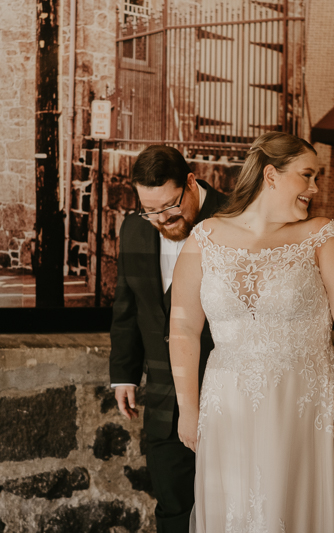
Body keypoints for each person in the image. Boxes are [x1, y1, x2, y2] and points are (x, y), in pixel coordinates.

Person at [169, 132, 334, 532]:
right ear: (271, 175)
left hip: (303, 407)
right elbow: (184, 330)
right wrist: (188, 410)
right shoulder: (204, 239)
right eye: (307, 175)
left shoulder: (324, 237)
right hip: (226, 409)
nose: (315, 187)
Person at [110, 145, 228, 533]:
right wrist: (124, 374)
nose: (161, 219)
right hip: (163, 403)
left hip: (229, 397)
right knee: (173, 510)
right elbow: (128, 307)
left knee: (232, 509)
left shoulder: (236, 220)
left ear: (191, 182)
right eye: (150, 209)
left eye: (170, 206)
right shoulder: (133, 227)